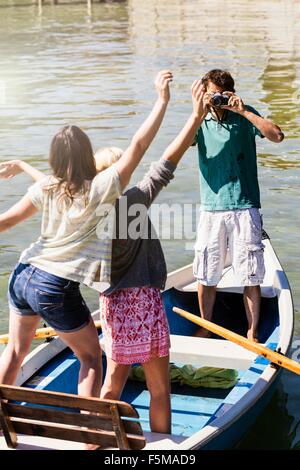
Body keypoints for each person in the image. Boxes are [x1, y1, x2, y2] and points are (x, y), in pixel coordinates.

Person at [1, 79, 207, 434]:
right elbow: (160, 155)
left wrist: (23, 166)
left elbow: (51, 185)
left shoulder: (72, 199)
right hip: (141, 303)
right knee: (152, 386)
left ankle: (63, 427)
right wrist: (188, 112)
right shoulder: (133, 199)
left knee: (106, 381)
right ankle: (110, 440)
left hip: (99, 302)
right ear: (113, 179)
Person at [192, 69, 284, 342]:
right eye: (212, 94)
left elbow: (277, 136)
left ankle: (252, 332)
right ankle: (206, 326)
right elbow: (182, 144)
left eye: (221, 94)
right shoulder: (201, 120)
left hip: (245, 206)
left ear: (230, 93)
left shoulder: (245, 114)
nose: (216, 100)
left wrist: (244, 112)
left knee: (251, 274)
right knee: (206, 273)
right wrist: (198, 110)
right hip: (211, 208)